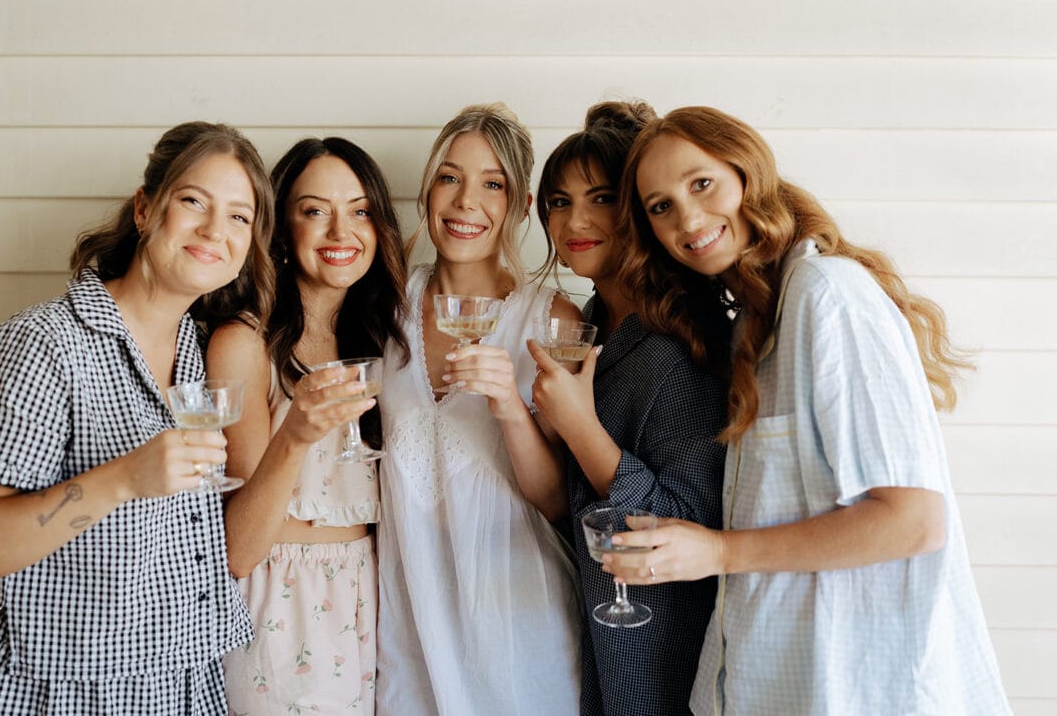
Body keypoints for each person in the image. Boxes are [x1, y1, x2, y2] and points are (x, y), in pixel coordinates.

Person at [605, 105, 1011, 715]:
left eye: (702, 183)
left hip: (863, 691)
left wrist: (718, 551)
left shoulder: (827, 296)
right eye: (661, 206)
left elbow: (913, 520)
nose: (687, 218)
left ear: (748, 174)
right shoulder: (754, 323)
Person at [0, 121, 276, 715]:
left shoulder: (200, 357)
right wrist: (124, 478)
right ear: (145, 209)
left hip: (180, 686)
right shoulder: (43, 346)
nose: (215, 230)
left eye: (239, 217)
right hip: (56, 695)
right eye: (194, 201)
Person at [376, 102, 582, 714]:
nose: (466, 201)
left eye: (493, 184)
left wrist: (509, 407)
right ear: (428, 190)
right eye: (449, 177)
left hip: (517, 625)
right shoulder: (384, 305)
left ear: (519, 207)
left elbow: (557, 501)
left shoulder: (551, 318)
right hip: (408, 624)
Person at [527, 100, 727, 716]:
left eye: (601, 198)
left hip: (662, 652)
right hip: (590, 639)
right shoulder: (587, 327)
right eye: (558, 201)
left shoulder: (681, 342)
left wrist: (579, 428)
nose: (574, 220)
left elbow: (684, 526)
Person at [204, 137, 408, 715]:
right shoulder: (246, 342)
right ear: (281, 230)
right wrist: (295, 434)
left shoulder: (383, 338)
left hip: (370, 601)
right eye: (315, 211)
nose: (342, 231)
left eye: (360, 211)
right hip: (283, 606)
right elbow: (238, 549)